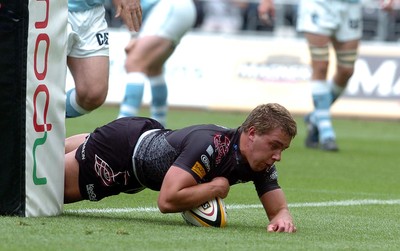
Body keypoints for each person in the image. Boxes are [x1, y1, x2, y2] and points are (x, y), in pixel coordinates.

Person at [64, 103, 298, 233]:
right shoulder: (211, 145)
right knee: (40, 187)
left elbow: (278, 210)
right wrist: (215, 188)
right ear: (253, 133)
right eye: (274, 146)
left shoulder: (260, 161)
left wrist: (283, 217)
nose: (277, 156)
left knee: (42, 154)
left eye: (282, 150)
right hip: (119, 155)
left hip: (141, 137)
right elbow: (167, 201)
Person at [296, 0, 394, 151]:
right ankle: (327, 132)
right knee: (321, 66)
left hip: (350, 6)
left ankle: (316, 117)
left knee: (346, 70)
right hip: (318, 5)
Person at [117, 0, 197, 126]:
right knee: (154, 68)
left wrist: (133, 35)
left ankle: (120, 127)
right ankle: (160, 128)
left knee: (134, 63)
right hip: (180, 8)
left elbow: (125, 5)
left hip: (169, 7)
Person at [66, 0, 142, 118]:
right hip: (52, 9)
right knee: (43, 85)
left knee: (93, 94)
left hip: (92, 11)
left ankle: (44, 118)